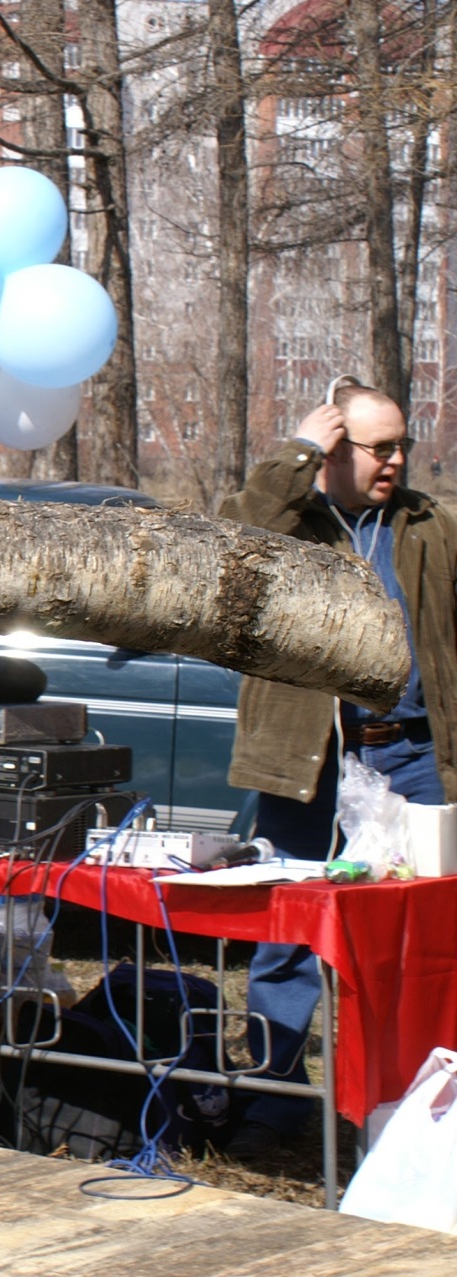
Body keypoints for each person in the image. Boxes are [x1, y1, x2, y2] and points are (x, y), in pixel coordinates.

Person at [220, 375, 457, 1157]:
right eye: (378, 448)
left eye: (401, 446)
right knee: (287, 937)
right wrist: (294, 456)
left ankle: (413, 1105)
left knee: (418, 936)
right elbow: (231, 536)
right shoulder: (293, 523)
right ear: (333, 447)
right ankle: (273, 1101)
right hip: (310, 762)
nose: (395, 461)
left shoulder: (427, 526)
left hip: (412, 759)